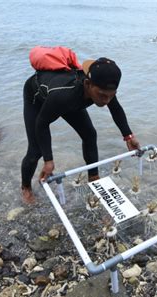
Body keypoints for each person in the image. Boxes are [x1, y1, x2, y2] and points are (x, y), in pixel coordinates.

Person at [21, 57, 140, 203]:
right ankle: (26, 187)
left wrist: (128, 136)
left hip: (70, 100)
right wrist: (48, 160)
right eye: (102, 95)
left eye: (111, 95)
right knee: (35, 151)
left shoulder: (104, 89)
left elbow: (115, 108)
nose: (106, 101)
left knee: (90, 134)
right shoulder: (64, 95)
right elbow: (42, 124)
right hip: (38, 98)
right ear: (88, 83)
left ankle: (93, 177)